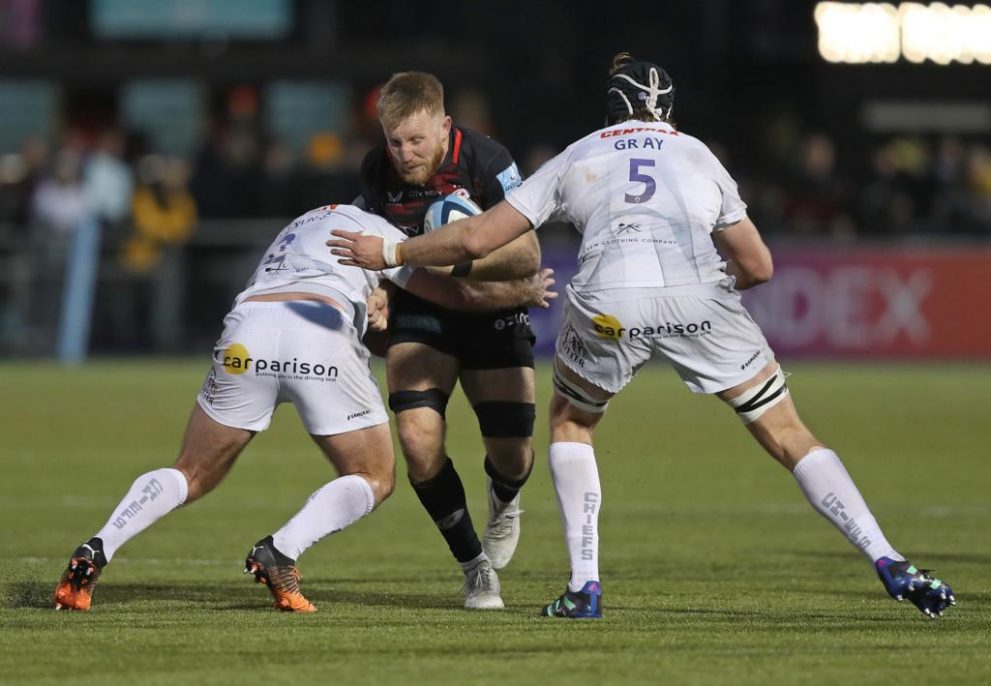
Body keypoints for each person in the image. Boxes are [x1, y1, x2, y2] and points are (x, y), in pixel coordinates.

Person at [328, 53, 957, 620]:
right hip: (700, 298)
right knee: (789, 432)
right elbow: (759, 266)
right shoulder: (698, 154)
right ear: (669, 110)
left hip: (609, 303)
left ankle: (584, 587)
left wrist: (391, 250)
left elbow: (474, 240)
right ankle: (887, 557)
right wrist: (706, 300)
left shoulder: (581, 152)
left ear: (611, 110)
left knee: (573, 425)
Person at [53, 203, 554, 613]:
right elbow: (455, 294)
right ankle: (282, 550)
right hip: (316, 332)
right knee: (374, 475)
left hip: (248, 329)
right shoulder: (380, 233)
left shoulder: (298, 223)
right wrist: (521, 292)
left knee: (191, 471)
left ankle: (98, 546)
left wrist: (376, 302)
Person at [354, 72, 540, 609]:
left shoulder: (487, 160)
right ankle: (474, 567)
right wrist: (376, 289)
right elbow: (365, 246)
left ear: (444, 126)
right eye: (394, 141)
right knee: (417, 443)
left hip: (491, 308)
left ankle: (504, 502)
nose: (404, 153)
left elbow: (527, 254)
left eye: (416, 140)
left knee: (513, 454)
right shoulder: (376, 172)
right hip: (423, 309)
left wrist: (449, 253)